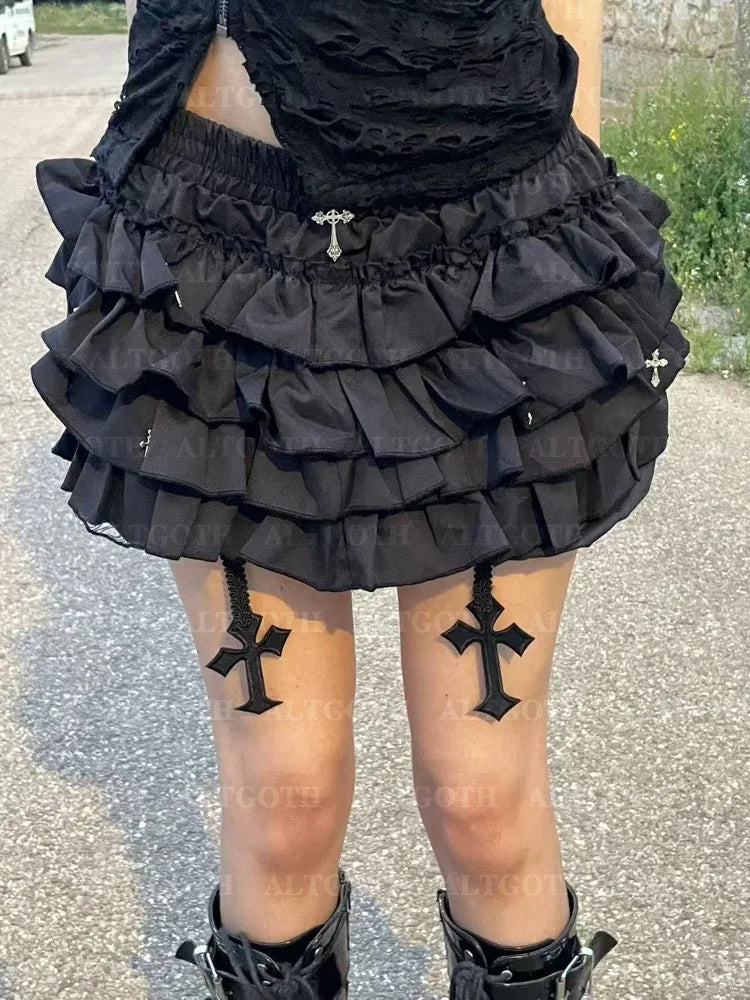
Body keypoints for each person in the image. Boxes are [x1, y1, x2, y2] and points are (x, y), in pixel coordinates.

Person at [29, 1, 689, 998]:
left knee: (481, 798)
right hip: (214, 241)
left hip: (487, 232)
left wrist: (569, 228)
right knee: (285, 798)